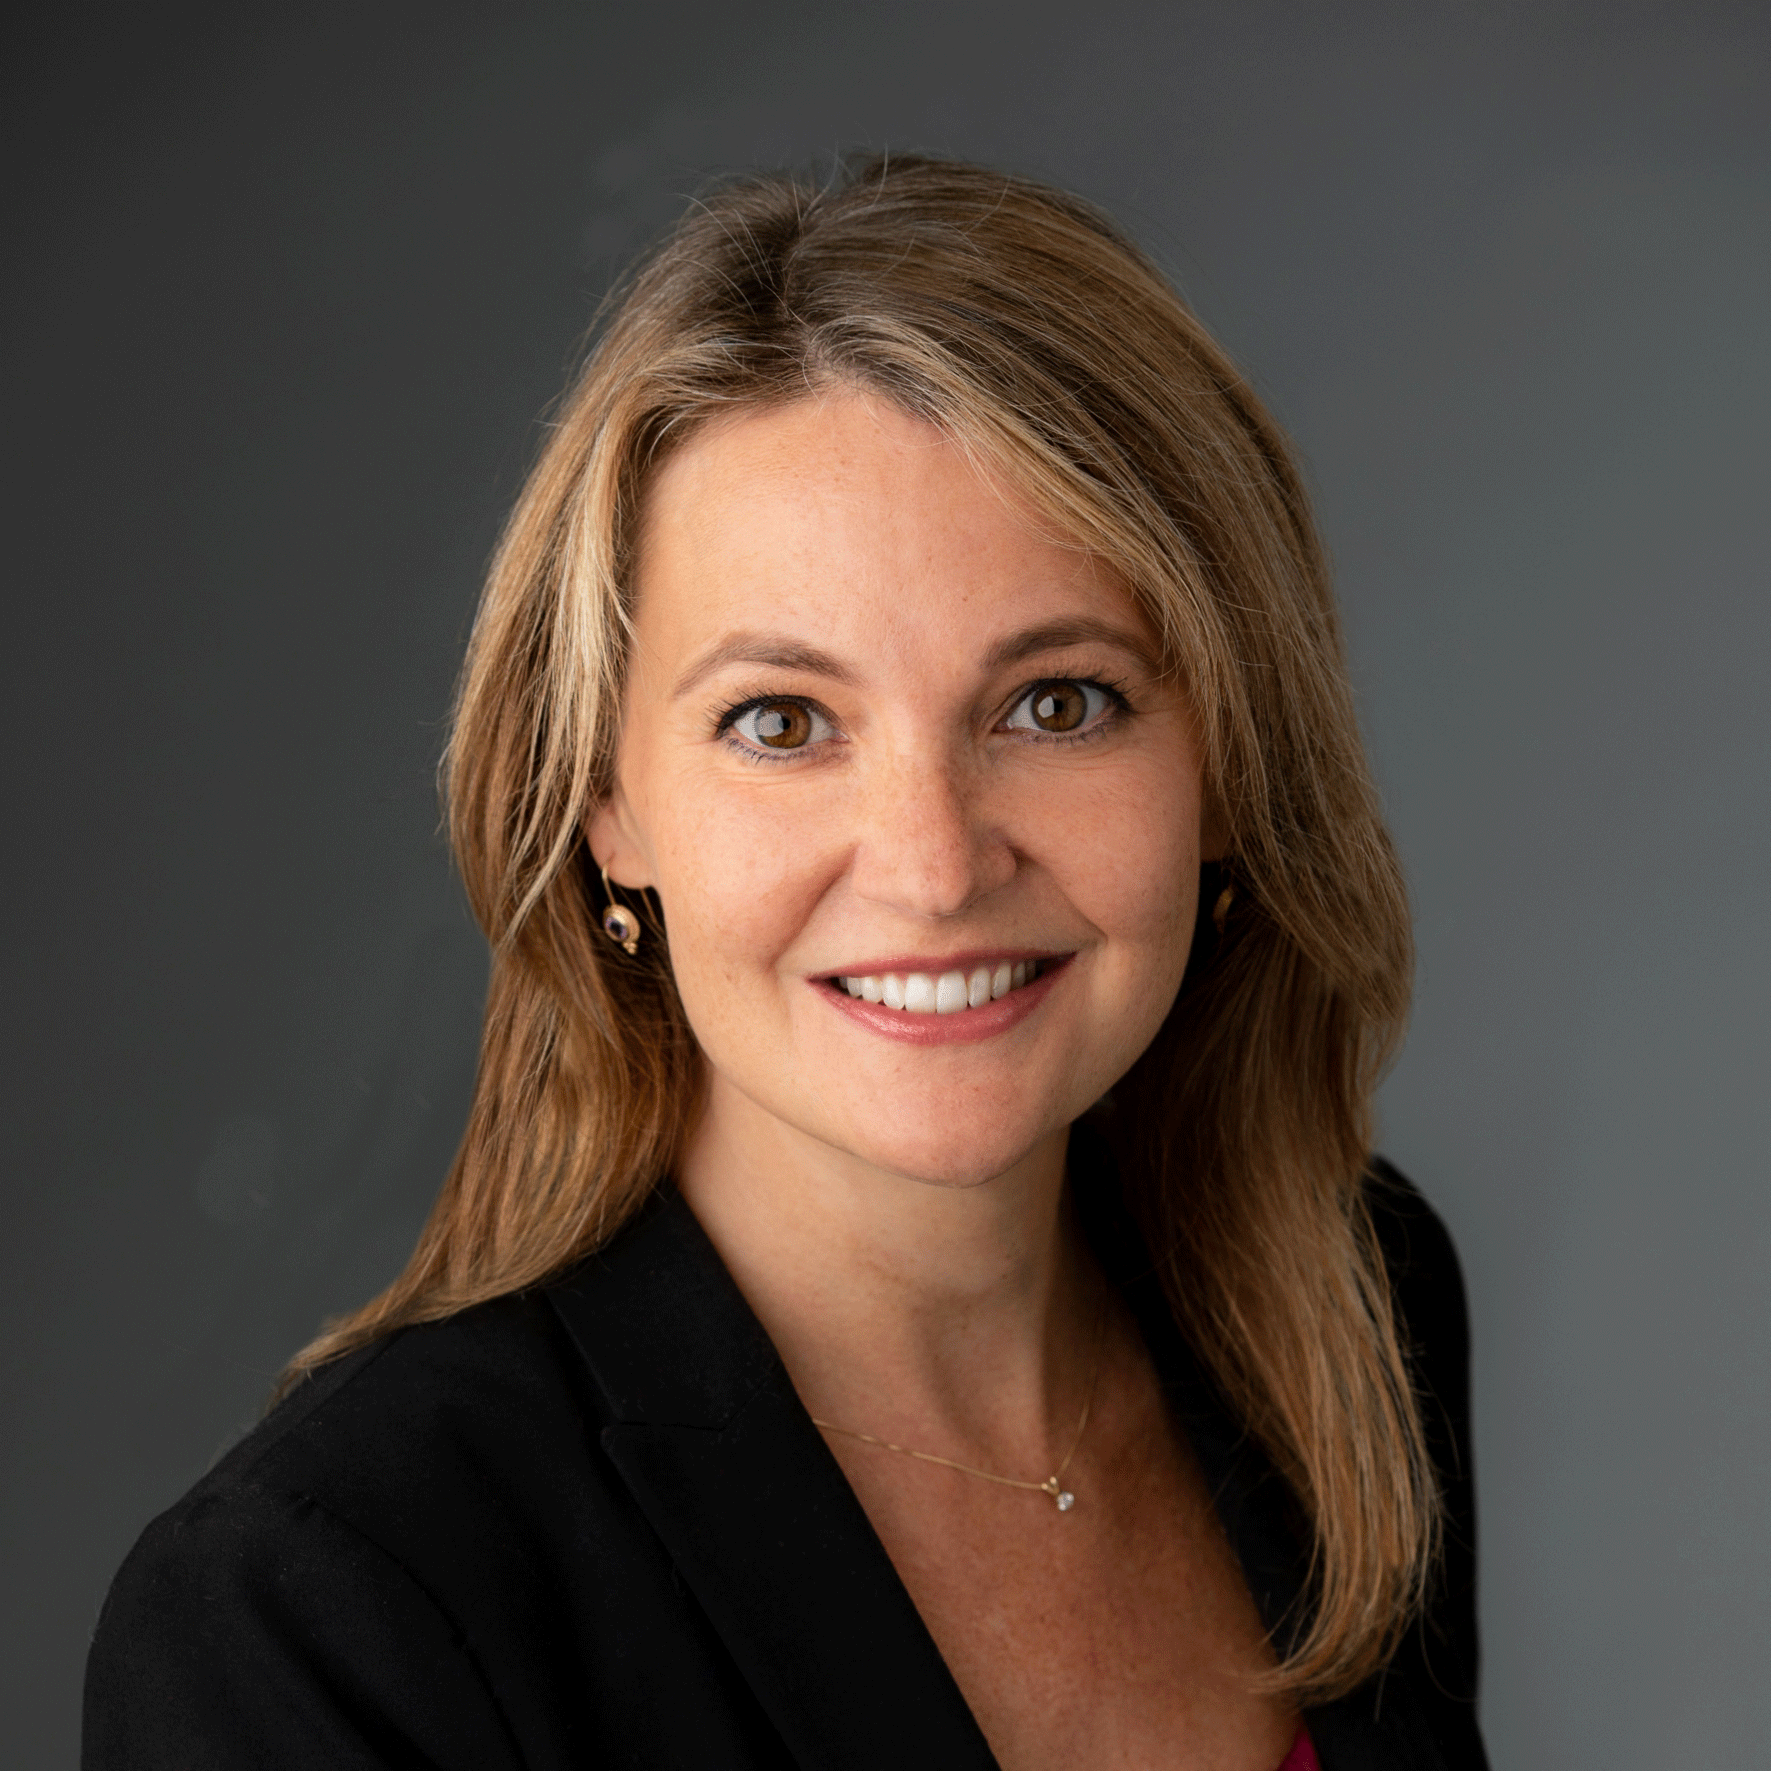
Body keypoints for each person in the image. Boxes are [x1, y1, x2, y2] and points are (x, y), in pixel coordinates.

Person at [84, 155, 1486, 1771]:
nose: (933, 861)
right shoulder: (328, 1605)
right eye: (781, 722)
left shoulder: (1346, 1317)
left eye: (1057, 701)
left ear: (1230, 761)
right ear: (606, 808)